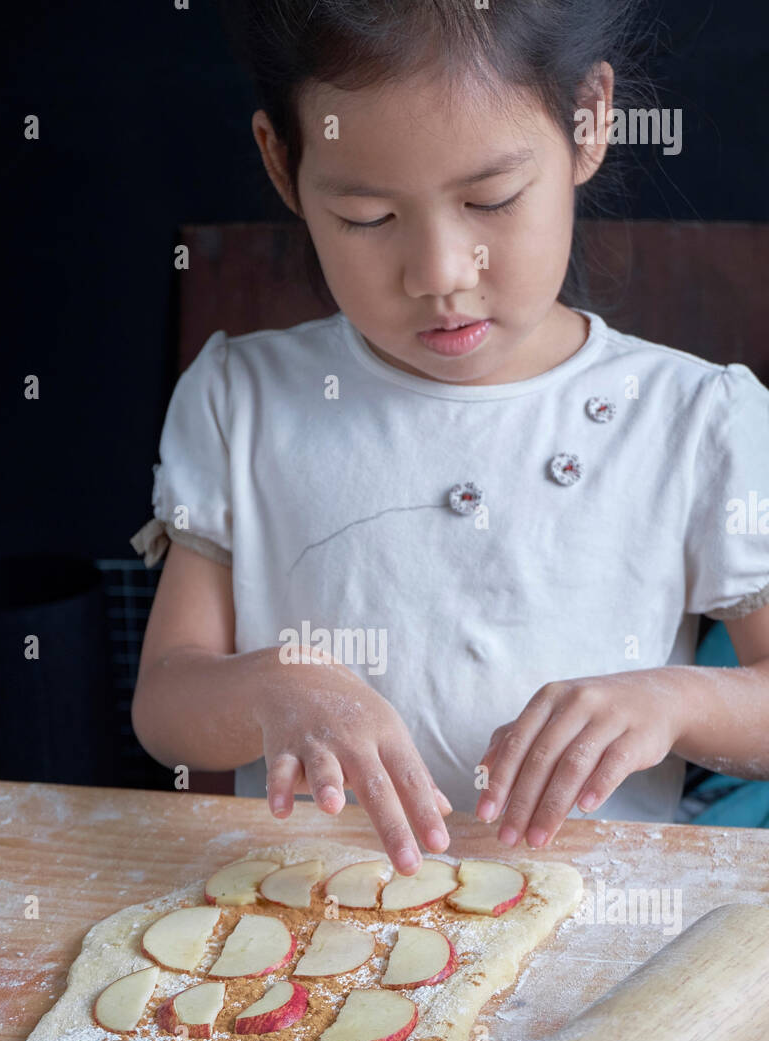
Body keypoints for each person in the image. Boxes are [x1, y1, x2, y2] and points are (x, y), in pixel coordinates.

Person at [131, 0, 769, 876]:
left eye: (491, 200)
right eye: (367, 216)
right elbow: (166, 698)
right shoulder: (241, 400)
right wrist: (274, 687)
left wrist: (672, 700)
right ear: (282, 164)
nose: (439, 274)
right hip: (315, 918)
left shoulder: (694, 420)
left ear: (589, 123)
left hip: (585, 928)